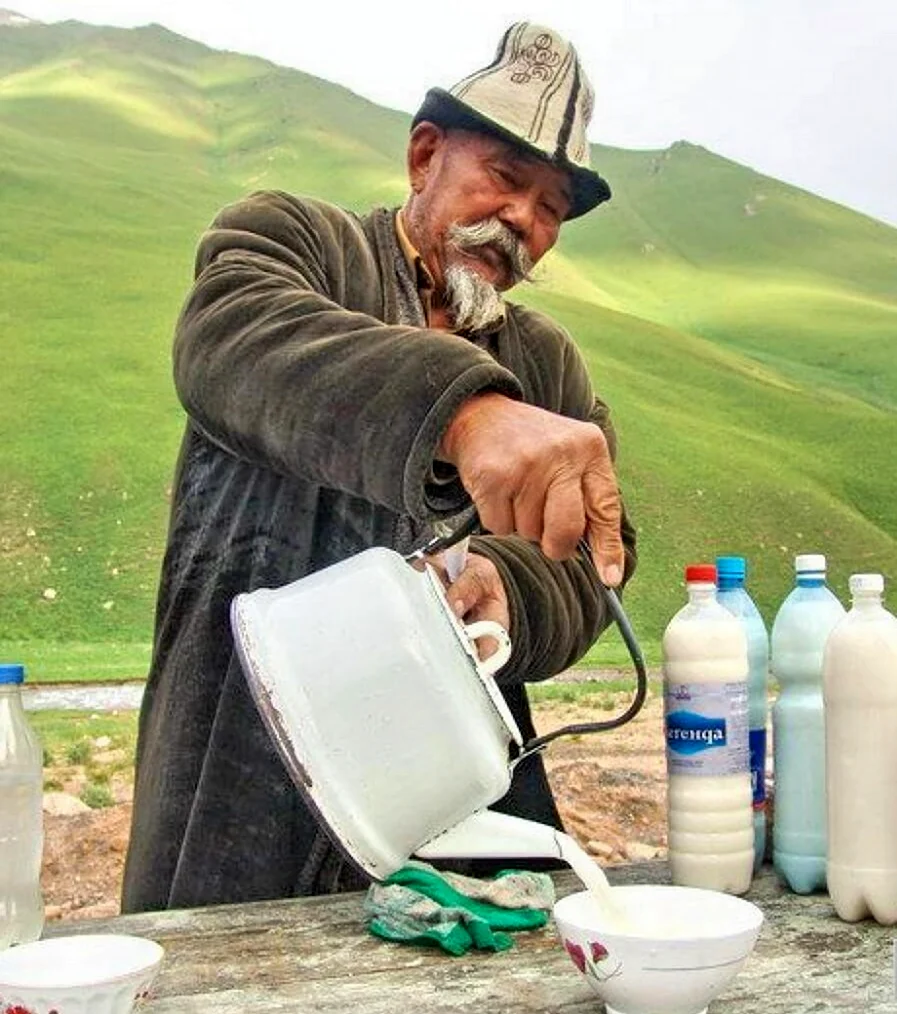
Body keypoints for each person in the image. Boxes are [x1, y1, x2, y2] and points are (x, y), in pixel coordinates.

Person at [121, 21, 637, 913]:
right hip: (244, 747)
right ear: (424, 154)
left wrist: (504, 588)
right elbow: (231, 341)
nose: (521, 219)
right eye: (505, 180)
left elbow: (596, 558)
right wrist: (466, 416)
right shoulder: (294, 240)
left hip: (453, 783)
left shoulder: (548, 364)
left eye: (550, 208)